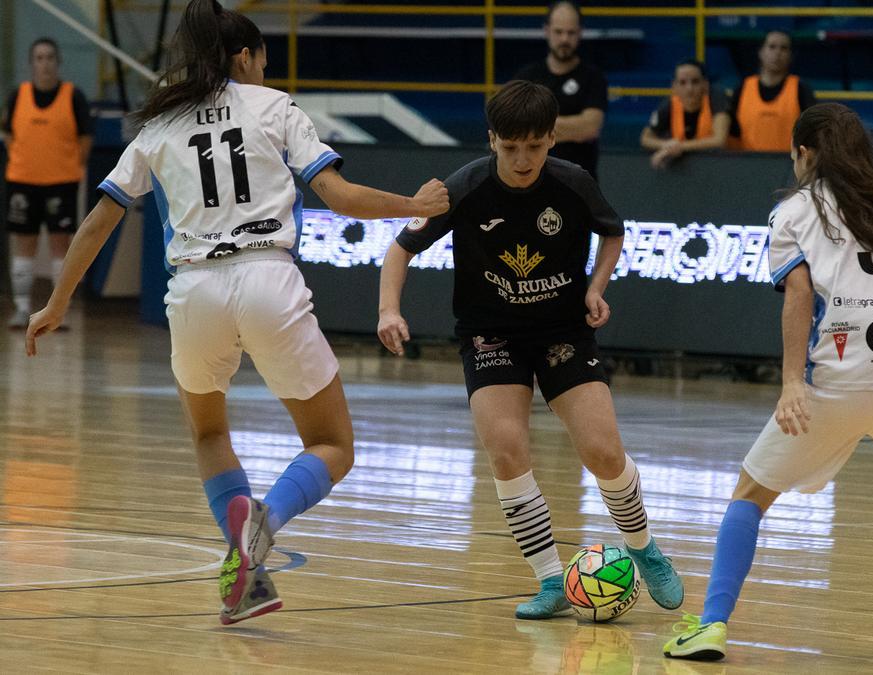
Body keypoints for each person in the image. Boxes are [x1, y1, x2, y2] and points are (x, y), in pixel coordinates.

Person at [24, 0, 448, 625]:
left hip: (192, 292)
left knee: (209, 434)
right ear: (243, 57)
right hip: (266, 280)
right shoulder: (274, 105)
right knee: (331, 442)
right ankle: (265, 522)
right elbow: (341, 196)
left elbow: (98, 221)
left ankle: (244, 575)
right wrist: (415, 202)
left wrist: (58, 301)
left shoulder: (159, 125)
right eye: (260, 60)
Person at [662, 103, 873, 664]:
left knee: (749, 496)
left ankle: (712, 625)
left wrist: (792, 381)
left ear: (805, 154)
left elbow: (797, 298)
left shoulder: (793, 211)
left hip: (837, 377)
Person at [377, 80, 683, 620]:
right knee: (506, 450)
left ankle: (644, 549)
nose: (522, 160)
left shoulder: (573, 184)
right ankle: (550, 582)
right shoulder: (465, 187)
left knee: (603, 451)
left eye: (535, 147)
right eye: (510, 147)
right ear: (492, 138)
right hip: (489, 335)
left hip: (562, 331)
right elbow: (399, 250)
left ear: (551, 141)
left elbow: (613, 233)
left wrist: (595, 287)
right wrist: (389, 311)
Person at [2, 38, 93, 329]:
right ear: (32, 63)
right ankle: (22, 308)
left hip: (61, 182)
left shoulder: (73, 96)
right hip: (23, 182)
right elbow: (7, 133)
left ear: (58, 62)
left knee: (61, 246)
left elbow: (85, 140)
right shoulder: (19, 96)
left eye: (50, 57)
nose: (45, 63)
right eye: (39, 58)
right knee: (24, 245)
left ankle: (58, 311)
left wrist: (70, 164)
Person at [512, 1, 607, 178]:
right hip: (531, 180)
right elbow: (510, 125)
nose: (564, 39)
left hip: (579, 182)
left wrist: (532, 128)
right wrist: (569, 128)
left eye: (571, 33)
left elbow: (589, 127)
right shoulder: (526, 77)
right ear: (547, 31)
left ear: (580, 33)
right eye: (558, 32)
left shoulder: (593, 77)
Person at [728, 31, 817, 153]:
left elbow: (813, 133)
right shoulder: (742, 88)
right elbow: (731, 132)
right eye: (772, 47)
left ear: (790, 55)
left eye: (783, 48)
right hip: (747, 164)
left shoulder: (801, 89)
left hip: (789, 166)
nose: (777, 53)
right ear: (761, 52)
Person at [639, 59, 732, 169]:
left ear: (705, 85)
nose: (689, 89)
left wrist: (678, 147)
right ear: (674, 87)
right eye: (682, 82)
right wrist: (666, 145)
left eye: (695, 81)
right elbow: (645, 138)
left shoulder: (718, 99)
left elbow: (719, 140)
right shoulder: (669, 104)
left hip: (728, 164)